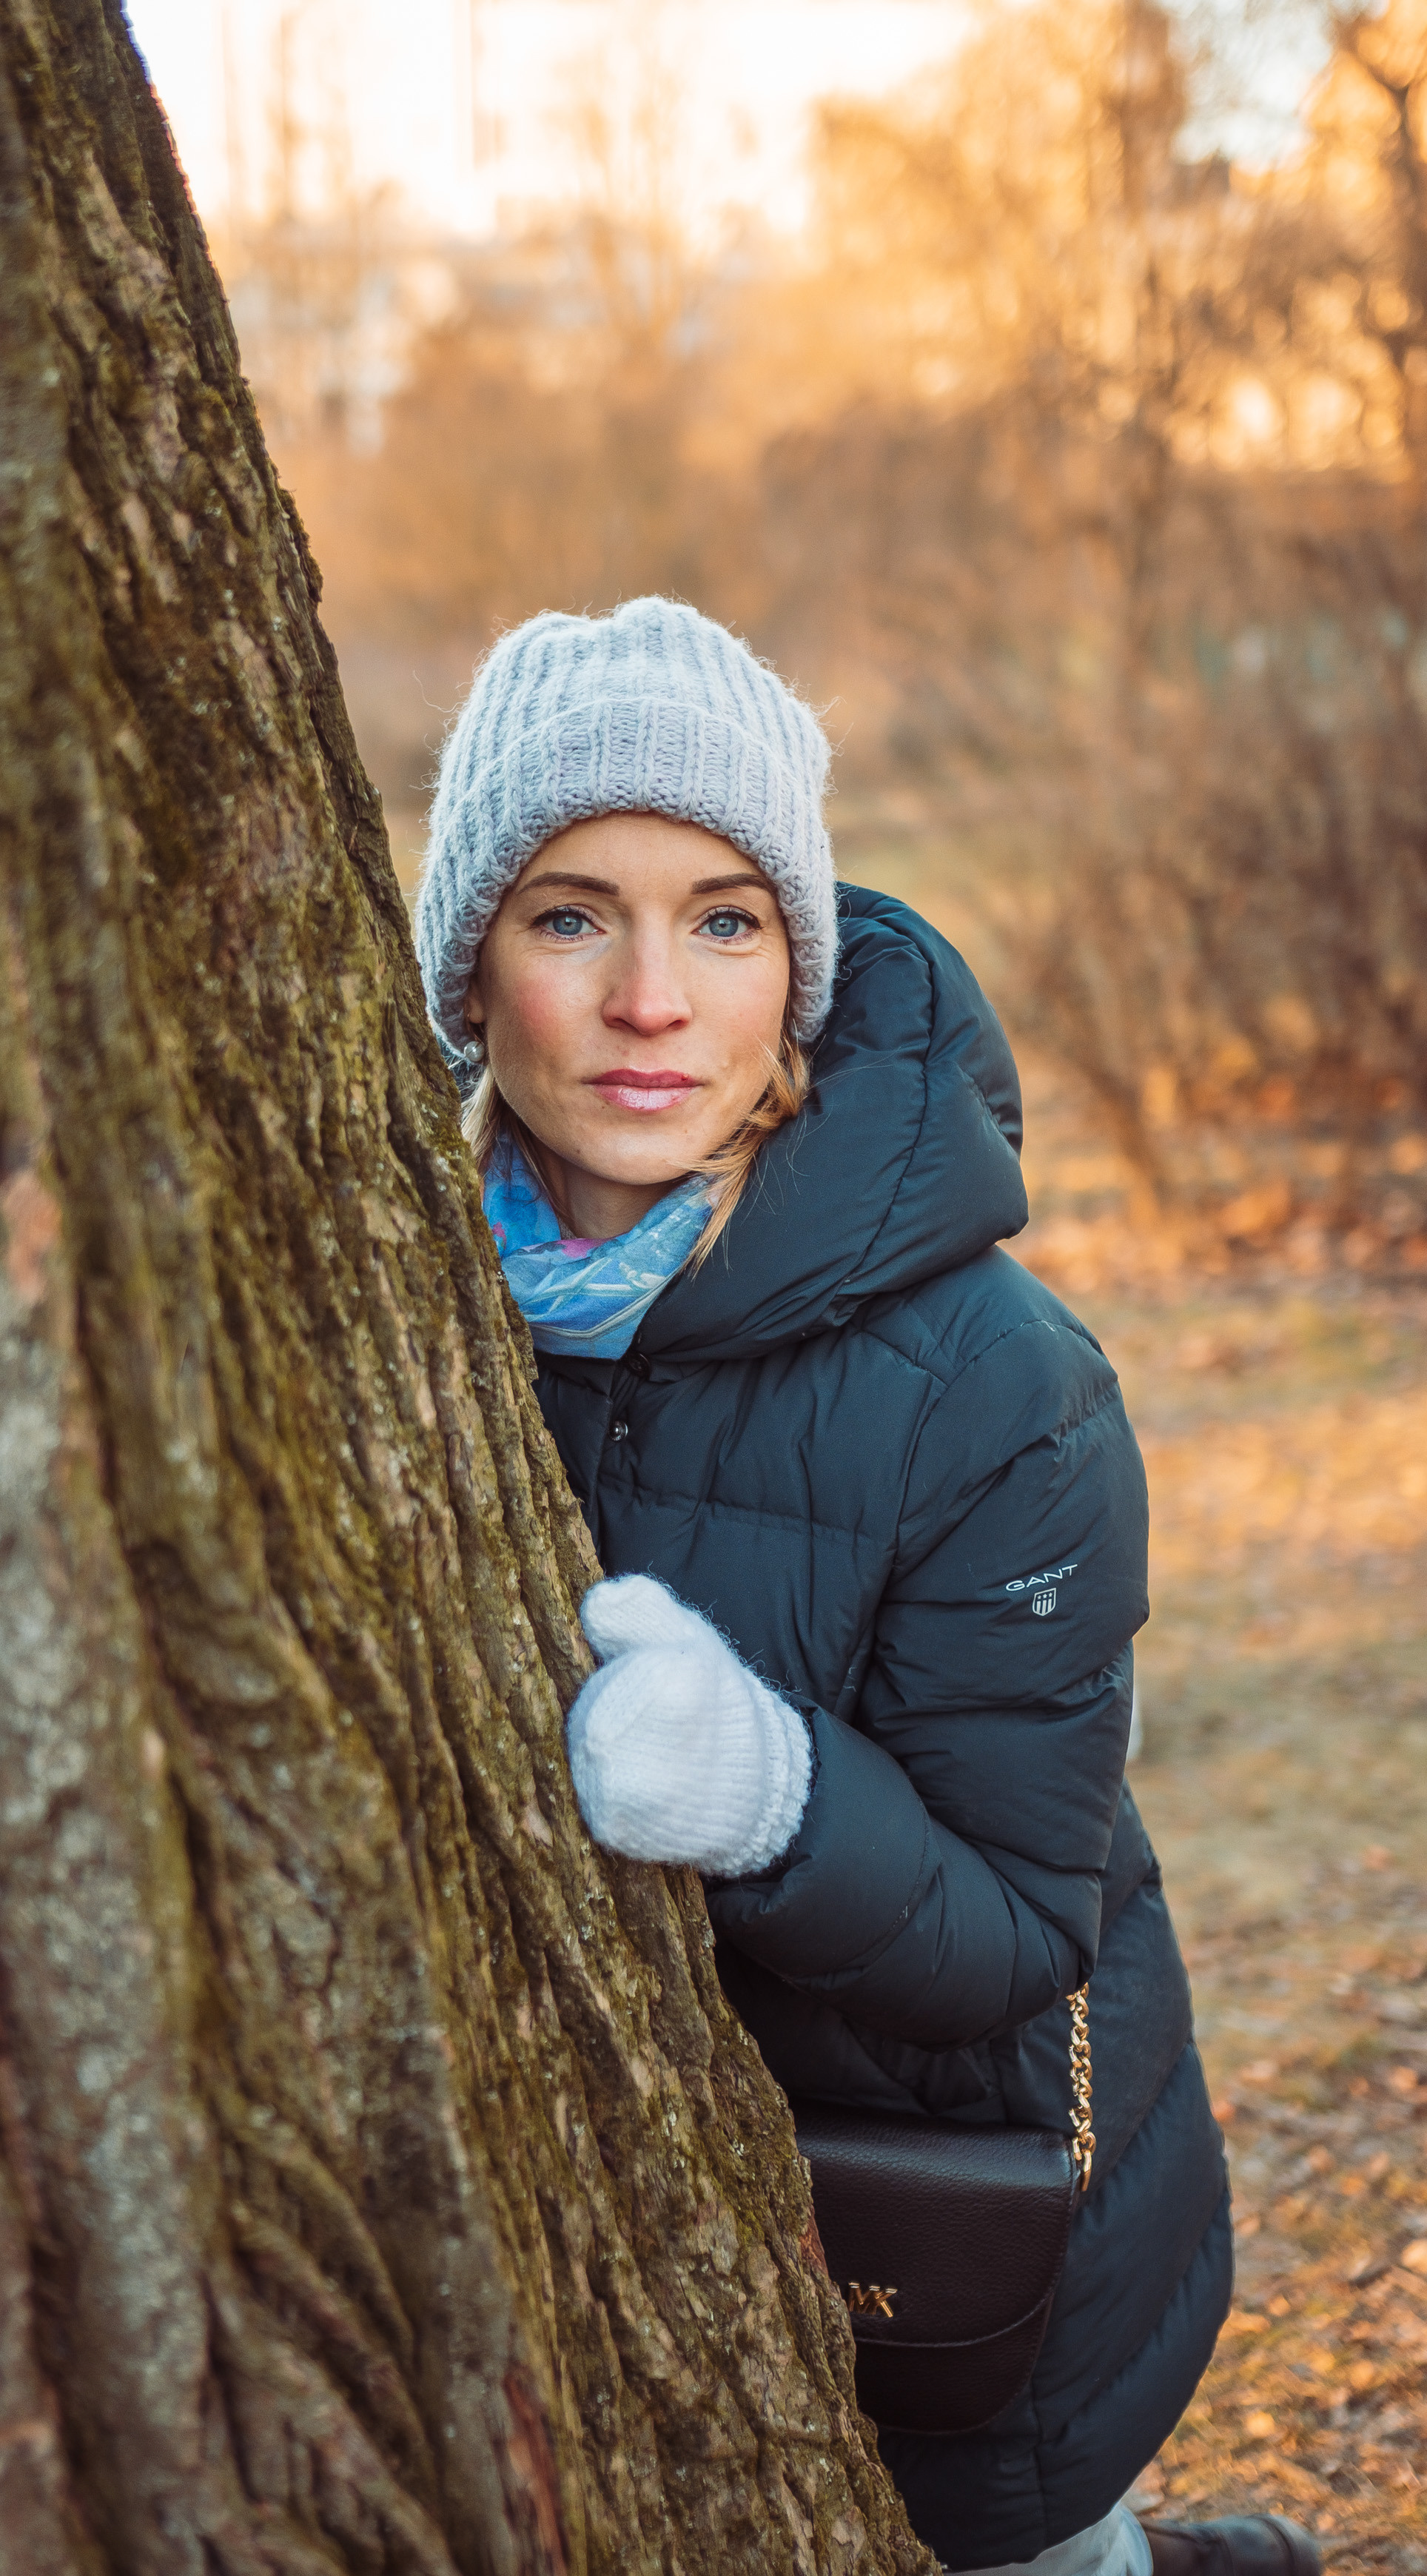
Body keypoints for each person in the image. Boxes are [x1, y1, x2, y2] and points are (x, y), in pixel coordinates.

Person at [413, 597, 1318, 2576]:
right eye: (571, 917)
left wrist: (769, 1793)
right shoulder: (400, 1317)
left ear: (800, 973)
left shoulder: (1001, 1385)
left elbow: (1017, 1928)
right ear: (469, 967)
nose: (653, 999)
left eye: (726, 922)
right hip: (573, 2234)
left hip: (941, 2236)